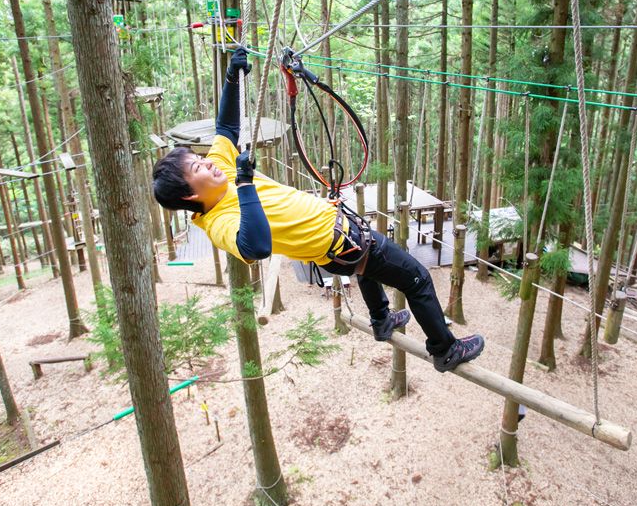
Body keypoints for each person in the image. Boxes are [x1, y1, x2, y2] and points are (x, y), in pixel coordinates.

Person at [151, 47, 484, 373]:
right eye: (197, 168)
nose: (207, 162)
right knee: (417, 279)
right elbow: (256, 247)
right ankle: (445, 349)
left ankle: (382, 319)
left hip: (341, 243)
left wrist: (231, 81)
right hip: (343, 244)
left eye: (200, 158)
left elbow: (225, 129)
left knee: (370, 268)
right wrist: (246, 182)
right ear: (192, 196)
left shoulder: (220, 165)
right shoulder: (218, 222)